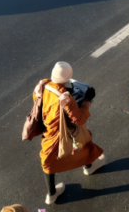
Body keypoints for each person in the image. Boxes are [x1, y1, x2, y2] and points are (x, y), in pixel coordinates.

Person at [33, 62, 106, 204]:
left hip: (48, 132)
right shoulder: (66, 98)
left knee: (47, 160)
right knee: (84, 143)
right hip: (64, 133)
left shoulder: (42, 84)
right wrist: (87, 101)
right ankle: (89, 167)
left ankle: (51, 194)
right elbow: (79, 118)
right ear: (69, 78)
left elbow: (37, 101)